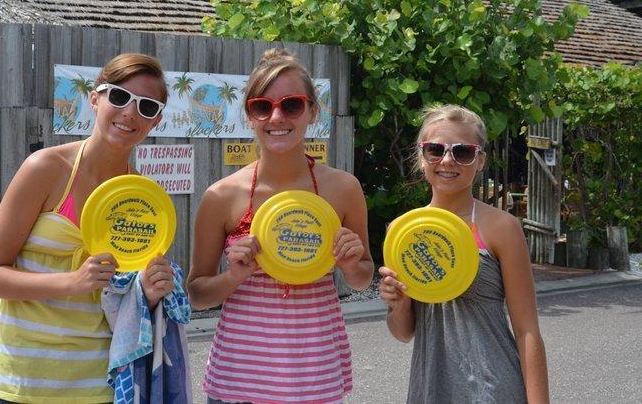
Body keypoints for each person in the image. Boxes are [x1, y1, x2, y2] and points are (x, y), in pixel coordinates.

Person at [0, 53, 178, 403]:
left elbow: (121, 297)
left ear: (156, 121)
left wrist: (148, 288)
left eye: (146, 107)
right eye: (118, 96)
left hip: (99, 385)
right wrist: (72, 281)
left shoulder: (140, 196)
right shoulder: (46, 168)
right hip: (23, 382)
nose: (130, 112)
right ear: (94, 98)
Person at [187, 49, 374, 404]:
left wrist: (351, 264)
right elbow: (197, 295)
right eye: (262, 106)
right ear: (249, 115)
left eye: (291, 105)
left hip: (314, 377)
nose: (276, 117)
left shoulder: (343, 188)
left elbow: (363, 277)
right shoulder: (222, 196)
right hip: (239, 381)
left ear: (313, 112)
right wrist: (233, 277)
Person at [378, 105, 549, 404]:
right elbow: (404, 333)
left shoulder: (501, 228)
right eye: (435, 149)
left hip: (494, 389)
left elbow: (527, 332)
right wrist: (399, 305)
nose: (447, 160)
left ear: (480, 160)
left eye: (463, 152)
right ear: (422, 156)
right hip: (430, 389)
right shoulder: (403, 231)